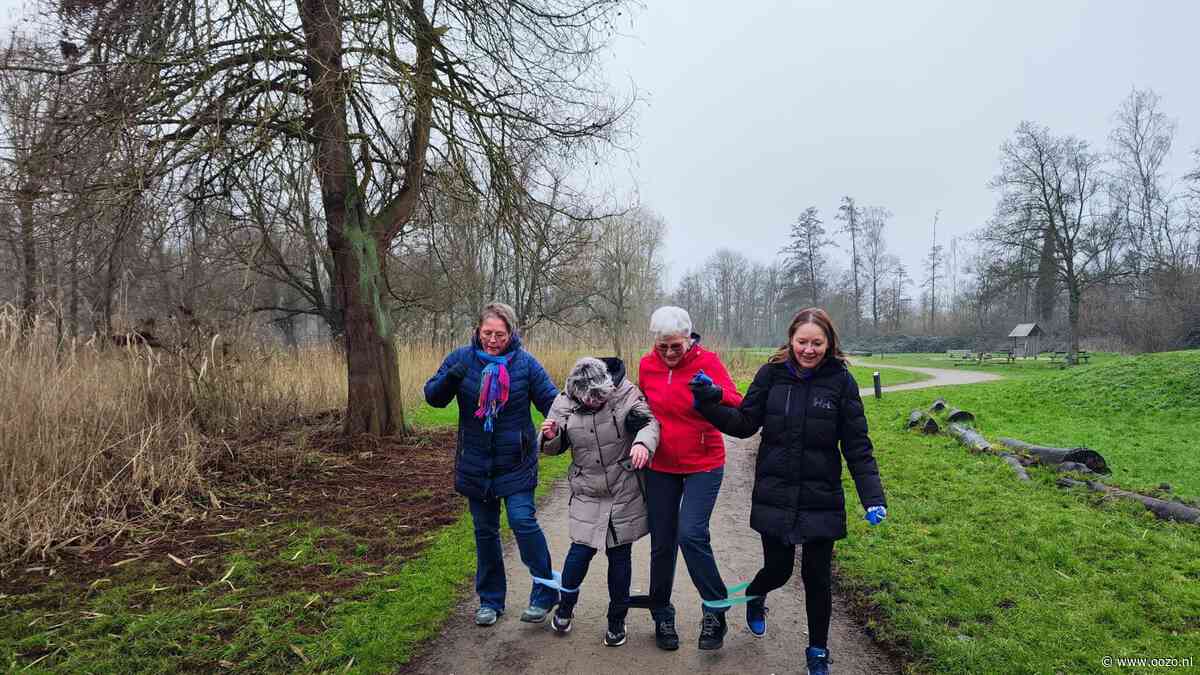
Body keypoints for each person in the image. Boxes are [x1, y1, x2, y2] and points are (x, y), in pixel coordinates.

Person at [689, 307, 887, 675]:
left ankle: (817, 651)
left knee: (817, 577)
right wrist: (707, 404)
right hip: (776, 492)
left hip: (820, 496)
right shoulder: (771, 375)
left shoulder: (841, 383)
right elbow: (745, 423)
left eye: (817, 343)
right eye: (802, 342)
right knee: (778, 570)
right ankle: (755, 595)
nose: (809, 350)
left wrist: (872, 497)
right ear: (791, 339)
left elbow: (858, 446)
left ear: (829, 344)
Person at [424, 302, 561, 626]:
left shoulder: (525, 365)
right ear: (478, 330)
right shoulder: (461, 359)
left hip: (516, 460)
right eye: (487, 333)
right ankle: (490, 601)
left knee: (521, 521)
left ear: (511, 333)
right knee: (485, 532)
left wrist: (555, 425)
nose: (493, 340)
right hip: (475, 462)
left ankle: (545, 589)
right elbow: (433, 397)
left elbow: (552, 402)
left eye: (500, 334)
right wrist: (452, 377)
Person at [637, 306, 744, 651]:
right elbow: (641, 409)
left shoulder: (708, 362)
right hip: (662, 464)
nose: (668, 354)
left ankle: (715, 609)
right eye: (662, 346)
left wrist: (713, 392)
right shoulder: (646, 364)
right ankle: (661, 613)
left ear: (689, 338)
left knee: (692, 533)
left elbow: (737, 400)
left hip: (704, 461)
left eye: (675, 347)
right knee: (662, 541)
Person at [539, 357, 659, 647]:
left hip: (622, 488)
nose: (594, 403)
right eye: (588, 400)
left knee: (620, 556)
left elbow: (650, 423)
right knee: (579, 553)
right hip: (587, 490)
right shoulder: (564, 401)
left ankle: (617, 620)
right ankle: (565, 607)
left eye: (600, 398)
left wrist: (643, 443)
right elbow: (552, 448)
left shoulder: (626, 393)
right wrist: (551, 436)